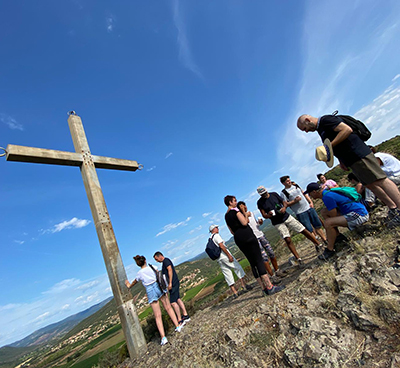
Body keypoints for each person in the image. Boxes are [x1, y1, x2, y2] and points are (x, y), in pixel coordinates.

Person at [297, 114, 400, 225]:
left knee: (380, 180)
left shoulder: (326, 120)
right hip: (351, 159)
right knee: (370, 184)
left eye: (304, 128)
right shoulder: (321, 128)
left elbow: (346, 130)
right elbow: (337, 146)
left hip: (358, 153)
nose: (306, 131)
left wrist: (329, 147)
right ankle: (393, 207)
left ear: (307, 120)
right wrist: (341, 161)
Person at [224, 195, 285, 296]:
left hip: (239, 239)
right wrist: (244, 213)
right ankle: (270, 287)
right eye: (234, 201)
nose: (236, 202)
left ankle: (263, 288)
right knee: (259, 260)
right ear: (230, 202)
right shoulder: (236, 212)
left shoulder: (226, 216)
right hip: (247, 235)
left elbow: (231, 232)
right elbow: (244, 222)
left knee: (252, 263)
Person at [256, 186, 322, 266]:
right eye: (262, 194)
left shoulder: (273, 194)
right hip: (277, 222)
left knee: (302, 229)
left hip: (286, 216)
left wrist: (284, 207)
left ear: (266, 191)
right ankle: (298, 258)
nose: (264, 195)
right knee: (287, 239)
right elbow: (264, 215)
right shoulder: (260, 202)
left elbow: (283, 202)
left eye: (265, 193)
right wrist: (269, 215)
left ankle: (318, 244)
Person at [125, 255, 182, 346]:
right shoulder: (153, 267)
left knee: (157, 316)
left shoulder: (139, 273)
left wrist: (129, 285)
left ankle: (163, 337)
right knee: (168, 308)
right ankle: (177, 326)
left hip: (150, 290)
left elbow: (135, 282)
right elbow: (159, 275)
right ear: (145, 261)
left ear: (138, 264)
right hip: (158, 286)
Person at [304, 183, 369, 260]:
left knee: (328, 223)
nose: (310, 196)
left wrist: (329, 232)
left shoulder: (327, 197)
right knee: (324, 212)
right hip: (357, 211)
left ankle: (330, 249)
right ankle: (338, 237)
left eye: (310, 193)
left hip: (359, 215)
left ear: (314, 192)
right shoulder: (328, 192)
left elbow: (333, 216)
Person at [236, 201, 283, 280]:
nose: (244, 207)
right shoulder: (242, 218)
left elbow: (255, 225)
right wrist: (244, 214)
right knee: (264, 257)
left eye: (244, 205)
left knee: (271, 253)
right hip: (254, 239)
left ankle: (277, 270)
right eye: (241, 206)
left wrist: (259, 223)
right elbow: (245, 223)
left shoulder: (251, 213)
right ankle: (272, 276)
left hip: (261, 235)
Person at [280, 176, 327, 249]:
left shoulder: (296, 185)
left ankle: (325, 240)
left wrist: (310, 202)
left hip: (308, 208)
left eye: (289, 180)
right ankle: (317, 244)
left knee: (317, 225)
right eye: (287, 181)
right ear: (283, 183)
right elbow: (285, 204)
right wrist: (294, 201)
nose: (289, 182)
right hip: (300, 212)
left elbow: (304, 194)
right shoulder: (284, 193)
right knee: (309, 230)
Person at [208, 224, 253, 298]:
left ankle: (235, 292)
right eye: (216, 227)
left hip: (219, 259)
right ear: (214, 229)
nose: (218, 228)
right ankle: (244, 285)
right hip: (225, 256)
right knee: (237, 267)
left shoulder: (210, 238)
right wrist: (229, 255)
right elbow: (221, 246)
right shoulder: (216, 236)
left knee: (227, 274)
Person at [153, 252, 190, 325]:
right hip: (174, 283)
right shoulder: (165, 262)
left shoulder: (166, 261)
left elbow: (170, 270)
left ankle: (179, 319)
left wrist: (170, 283)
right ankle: (185, 315)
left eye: (156, 259)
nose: (157, 261)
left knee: (173, 302)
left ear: (160, 256)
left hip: (173, 283)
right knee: (178, 299)